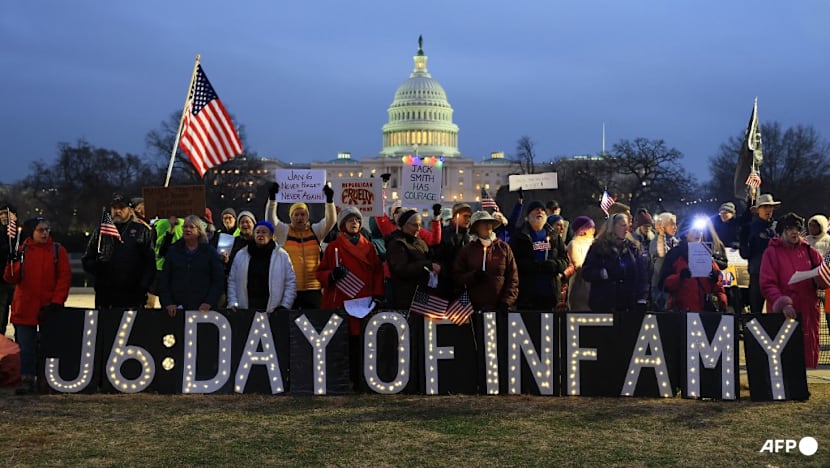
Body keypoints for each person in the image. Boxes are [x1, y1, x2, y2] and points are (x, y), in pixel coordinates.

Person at [317, 207, 384, 390]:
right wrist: (332, 275)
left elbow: (378, 272)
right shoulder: (333, 247)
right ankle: (341, 379)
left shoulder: (369, 247)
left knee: (359, 343)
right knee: (341, 342)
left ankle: (359, 379)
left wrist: (377, 295)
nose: (354, 223)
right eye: (350, 220)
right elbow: (320, 273)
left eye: (357, 220)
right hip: (341, 301)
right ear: (342, 225)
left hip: (362, 302)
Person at [3, 217, 71, 395]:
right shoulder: (22, 250)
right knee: (26, 347)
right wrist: (12, 263)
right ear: (31, 232)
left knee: (49, 345)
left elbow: (64, 278)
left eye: (47, 229)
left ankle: (47, 379)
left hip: (48, 306)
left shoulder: (57, 251)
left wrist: (57, 302)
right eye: (40, 230)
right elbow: (11, 279)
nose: (45, 233)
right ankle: (27, 379)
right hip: (25, 307)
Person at [760, 213, 822, 368]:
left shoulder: (809, 251)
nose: (794, 232)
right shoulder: (772, 252)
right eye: (789, 229)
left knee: (807, 356)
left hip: (808, 312)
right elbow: (767, 284)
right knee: (785, 359)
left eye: (797, 228)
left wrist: (820, 279)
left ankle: (803, 389)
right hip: (785, 313)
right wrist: (783, 303)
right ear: (782, 231)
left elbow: (822, 275)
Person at [265, 183, 336, 309]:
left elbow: (330, 220)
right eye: (296, 215)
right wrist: (272, 199)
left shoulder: (316, 231)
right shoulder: (284, 232)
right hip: (291, 289)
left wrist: (329, 201)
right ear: (290, 217)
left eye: (303, 214)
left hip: (314, 288)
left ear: (307, 217)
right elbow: (271, 220)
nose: (299, 218)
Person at [82, 193, 156, 310]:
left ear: (130, 210)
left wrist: (144, 286)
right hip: (106, 293)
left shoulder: (142, 231)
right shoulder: (101, 231)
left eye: (121, 208)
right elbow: (87, 259)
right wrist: (98, 267)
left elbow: (150, 263)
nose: (117, 211)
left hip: (133, 293)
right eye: (114, 208)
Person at [157, 215, 225, 317]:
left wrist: (209, 302)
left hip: (203, 309)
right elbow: (164, 279)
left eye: (191, 227)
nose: (187, 229)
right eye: (185, 227)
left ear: (199, 231)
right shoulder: (173, 251)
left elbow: (218, 280)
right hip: (177, 309)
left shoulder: (209, 252)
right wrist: (168, 303)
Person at [582, 213, 650, 313]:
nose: (626, 229)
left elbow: (642, 274)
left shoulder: (632, 248)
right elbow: (586, 272)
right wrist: (604, 273)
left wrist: (642, 298)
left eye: (627, 225)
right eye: (622, 225)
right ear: (612, 227)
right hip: (604, 304)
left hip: (628, 305)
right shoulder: (599, 247)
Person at [658, 218, 728, 312]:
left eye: (700, 231)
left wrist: (715, 278)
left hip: (704, 311)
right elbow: (664, 284)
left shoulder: (705, 251)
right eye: (695, 231)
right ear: (686, 233)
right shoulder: (675, 254)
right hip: (681, 311)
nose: (698, 234)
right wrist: (680, 277)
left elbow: (718, 286)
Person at [453, 211, 518, 311]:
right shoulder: (467, 250)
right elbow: (457, 278)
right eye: (483, 222)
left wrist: (506, 302)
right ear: (476, 228)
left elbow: (513, 278)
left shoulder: (504, 248)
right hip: (474, 310)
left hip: (500, 309)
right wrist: (473, 276)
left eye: (490, 222)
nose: (488, 225)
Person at [509, 200, 568, 310]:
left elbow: (565, 260)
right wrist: (532, 266)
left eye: (542, 211)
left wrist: (553, 265)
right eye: (536, 210)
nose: (539, 212)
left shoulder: (554, 237)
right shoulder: (519, 236)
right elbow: (512, 262)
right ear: (528, 216)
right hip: (527, 295)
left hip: (550, 294)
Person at [227, 220, 296, 313]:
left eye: (264, 232)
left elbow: (290, 282)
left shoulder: (282, 255)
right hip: (245, 310)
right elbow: (232, 281)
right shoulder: (241, 255)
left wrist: (285, 305)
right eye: (257, 232)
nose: (260, 235)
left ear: (271, 235)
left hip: (274, 311)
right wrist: (233, 303)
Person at [385, 209, 441, 309]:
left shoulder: (420, 242)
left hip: (422, 293)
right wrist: (428, 265)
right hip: (406, 295)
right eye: (415, 225)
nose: (419, 228)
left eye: (420, 225)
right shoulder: (396, 244)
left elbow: (430, 256)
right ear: (404, 225)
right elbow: (402, 269)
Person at [740, 193, 781, 314]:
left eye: (770, 207)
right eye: (764, 207)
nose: (768, 210)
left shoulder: (779, 227)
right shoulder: (749, 228)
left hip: (777, 272)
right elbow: (745, 253)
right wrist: (745, 242)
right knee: (756, 308)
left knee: (775, 308)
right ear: (758, 210)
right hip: (758, 272)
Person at [435, 202, 474, 296]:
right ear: (455, 217)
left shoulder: (471, 235)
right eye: (465, 216)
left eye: (469, 216)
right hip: (447, 279)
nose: (468, 220)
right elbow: (439, 255)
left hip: (464, 279)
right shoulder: (445, 233)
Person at [566, 216, 595, 311]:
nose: (593, 230)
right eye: (591, 228)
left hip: (593, 286)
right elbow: (577, 265)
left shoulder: (592, 243)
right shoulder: (574, 244)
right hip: (580, 285)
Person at [0, 203, 18, 335]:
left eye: (5, 213)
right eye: (0, 214)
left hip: (18, 282)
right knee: (1, 316)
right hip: (2, 281)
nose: (3, 216)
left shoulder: (19, 233)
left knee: (19, 317)